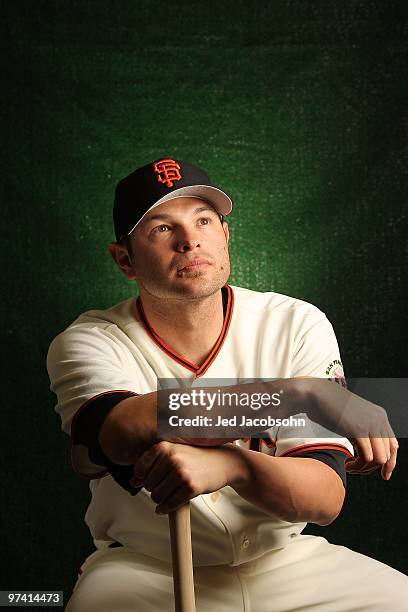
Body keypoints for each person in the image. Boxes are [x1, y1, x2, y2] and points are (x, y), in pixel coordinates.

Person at [47, 157, 407, 611]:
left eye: (204, 219)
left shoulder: (295, 322)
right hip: (144, 570)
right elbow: (124, 430)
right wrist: (304, 393)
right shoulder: (89, 340)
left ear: (225, 235)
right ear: (125, 259)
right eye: (161, 228)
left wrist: (232, 466)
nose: (190, 239)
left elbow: (324, 498)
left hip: (290, 565)